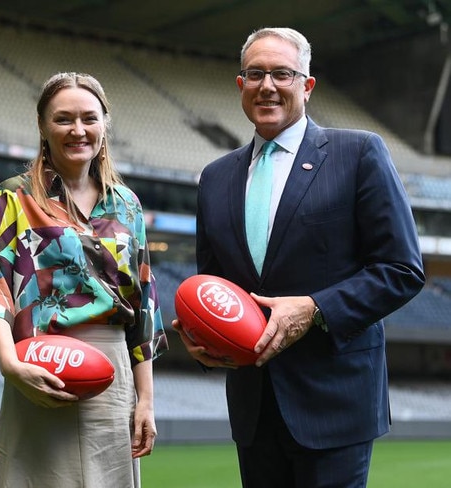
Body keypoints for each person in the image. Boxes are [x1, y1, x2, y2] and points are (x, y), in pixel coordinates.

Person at [173, 27, 425, 488]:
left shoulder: (358, 153)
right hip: (254, 408)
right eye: (255, 74)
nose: (267, 85)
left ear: (307, 86)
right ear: (240, 85)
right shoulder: (214, 178)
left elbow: (402, 269)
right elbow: (214, 286)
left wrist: (314, 309)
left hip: (335, 405)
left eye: (282, 74)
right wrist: (202, 340)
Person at [0, 72, 168, 488]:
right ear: (42, 125)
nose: (78, 130)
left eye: (89, 118)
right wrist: (11, 366)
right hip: (38, 367)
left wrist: (145, 400)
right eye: (64, 119)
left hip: (112, 376)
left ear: (104, 124)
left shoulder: (127, 206)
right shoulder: (14, 197)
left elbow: (143, 308)